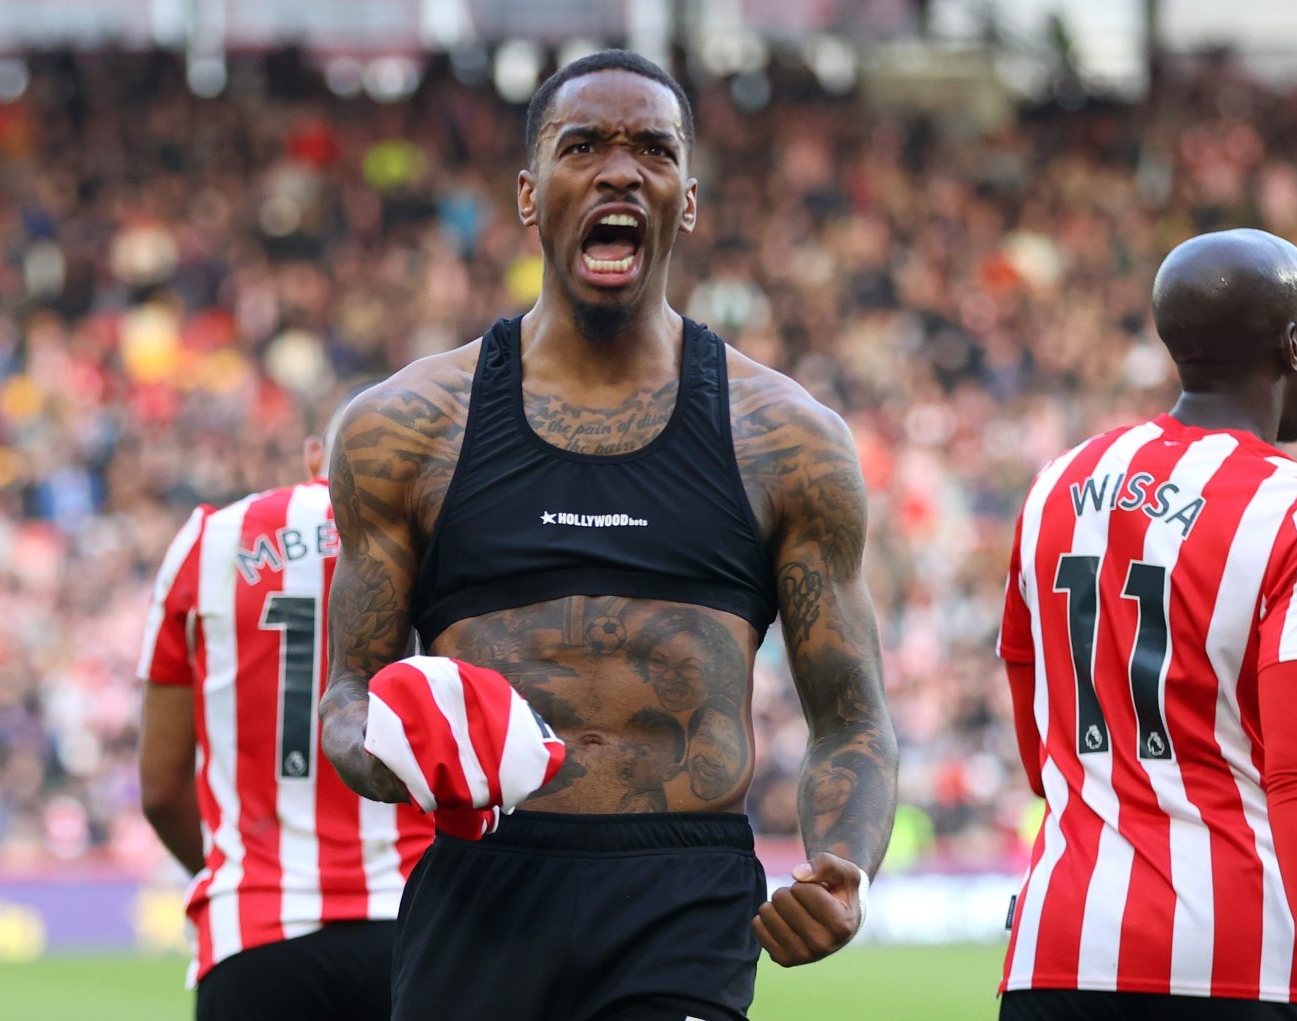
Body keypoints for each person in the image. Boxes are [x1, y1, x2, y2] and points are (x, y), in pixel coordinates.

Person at [318, 49, 898, 1021]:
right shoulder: (403, 428)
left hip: (683, 897)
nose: (620, 171)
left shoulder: (788, 440)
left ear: (689, 199)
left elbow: (853, 717)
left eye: (652, 150)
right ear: (530, 194)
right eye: (583, 145)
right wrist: (381, 748)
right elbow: (346, 687)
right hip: (479, 884)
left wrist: (845, 869)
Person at [997, 228, 1297, 1021]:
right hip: (1242, 963)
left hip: (1056, 953)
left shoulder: (1055, 484)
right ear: (1295, 345)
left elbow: (1037, 723)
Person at [137, 397, 434, 1021]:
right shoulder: (448, 543)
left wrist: (243, 870)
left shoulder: (210, 542)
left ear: (313, 456)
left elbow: (161, 787)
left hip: (256, 931)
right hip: (419, 926)